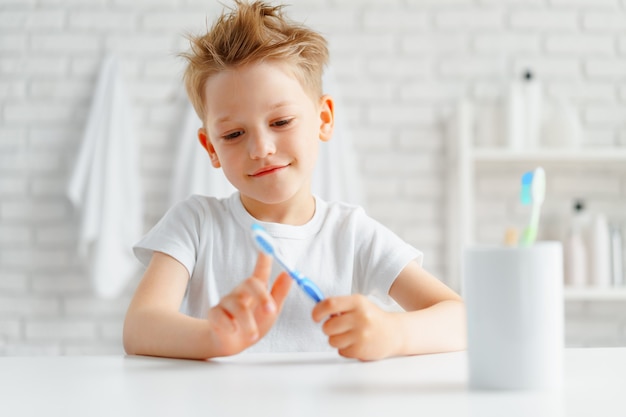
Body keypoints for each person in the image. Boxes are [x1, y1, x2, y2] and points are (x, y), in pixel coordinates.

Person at [123, 0, 466, 361]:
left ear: (324, 118)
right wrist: (215, 338)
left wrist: (393, 333)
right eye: (234, 134)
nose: (260, 148)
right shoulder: (193, 224)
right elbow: (139, 327)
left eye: (281, 122)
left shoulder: (351, 233)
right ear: (210, 147)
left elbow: (461, 319)